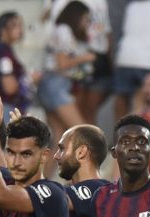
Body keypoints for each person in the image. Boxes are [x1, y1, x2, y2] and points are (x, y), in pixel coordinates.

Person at [37, 1, 97, 149]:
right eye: (85, 18)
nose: (86, 23)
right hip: (55, 84)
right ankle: (92, 172)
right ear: (76, 16)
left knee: (58, 137)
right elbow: (62, 64)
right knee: (83, 131)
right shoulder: (63, 30)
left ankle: (42, 173)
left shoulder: (66, 32)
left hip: (54, 84)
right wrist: (85, 58)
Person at [0, 12, 33, 116]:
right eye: (14, 25)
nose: (20, 29)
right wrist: (29, 79)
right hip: (7, 109)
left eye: (20, 25)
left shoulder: (3, 50)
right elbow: (9, 87)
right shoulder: (3, 53)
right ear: (2, 30)